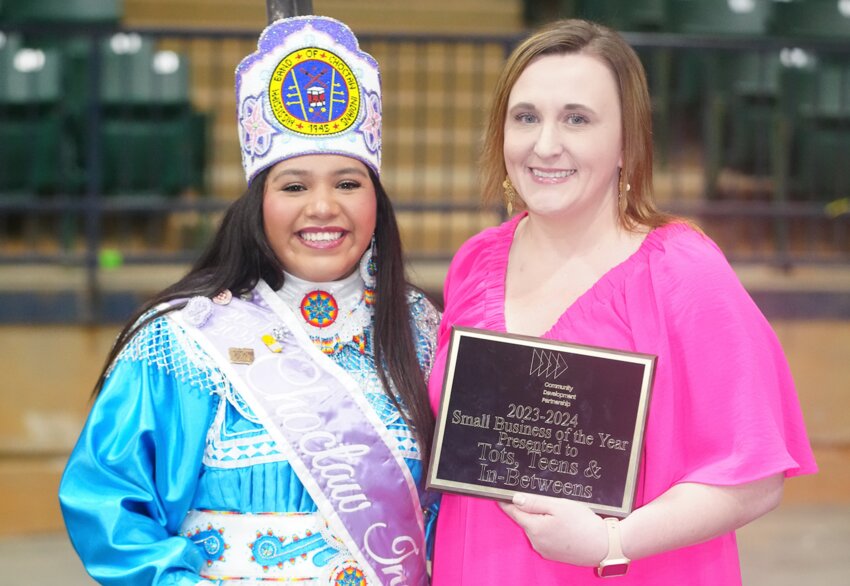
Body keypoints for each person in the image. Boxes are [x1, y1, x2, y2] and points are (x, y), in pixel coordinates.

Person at [427, 18, 817, 585]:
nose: (545, 145)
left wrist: (612, 540)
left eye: (577, 119)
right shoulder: (476, 262)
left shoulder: (684, 274)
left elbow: (755, 480)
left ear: (626, 142)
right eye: (526, 117)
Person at [59, 16, 439, 586]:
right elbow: (109, 506)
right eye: (293, 186)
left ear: (375, 201)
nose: (323, 207)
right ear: (257, 203)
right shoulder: (184, 340)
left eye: (347, 183)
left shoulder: (423, 333)